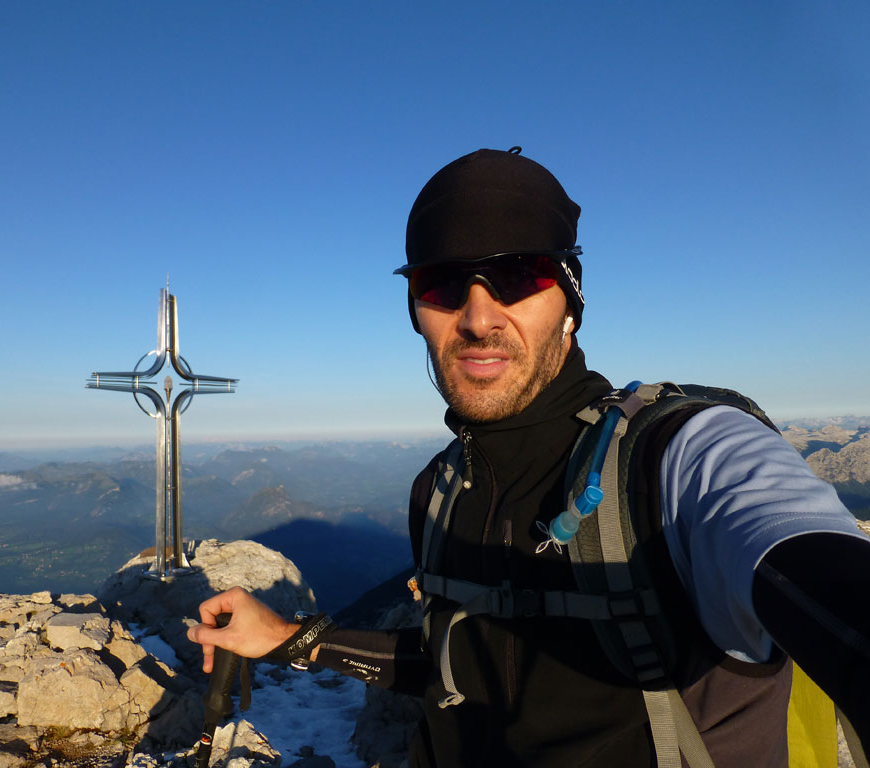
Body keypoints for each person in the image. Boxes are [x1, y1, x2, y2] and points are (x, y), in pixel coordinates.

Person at [187, 147, 870, 767]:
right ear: (415, 309)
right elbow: (461, 664)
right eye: (442, 283)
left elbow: (816, 572)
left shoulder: (679, 455)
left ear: (570, 301)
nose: (479, 316)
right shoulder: (443, 488)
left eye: (518, 276)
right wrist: (293, 640)